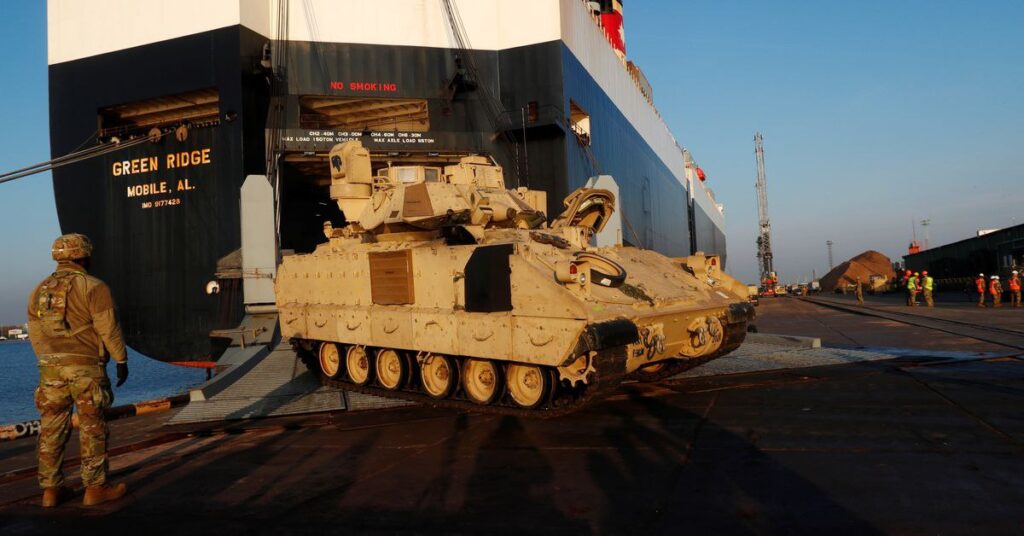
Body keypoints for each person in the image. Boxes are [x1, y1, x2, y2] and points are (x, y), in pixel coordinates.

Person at [27, 234, 129, 508]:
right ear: (84, 256)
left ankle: (50, 491)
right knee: (92, 426)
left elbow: (35, 332)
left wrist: (49, 360)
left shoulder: (38, 290)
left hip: (50, 369)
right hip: (86, 369)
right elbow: (108, 327)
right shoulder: (94, 287)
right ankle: (95, 489)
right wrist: (120, 359)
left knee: (51, 427)